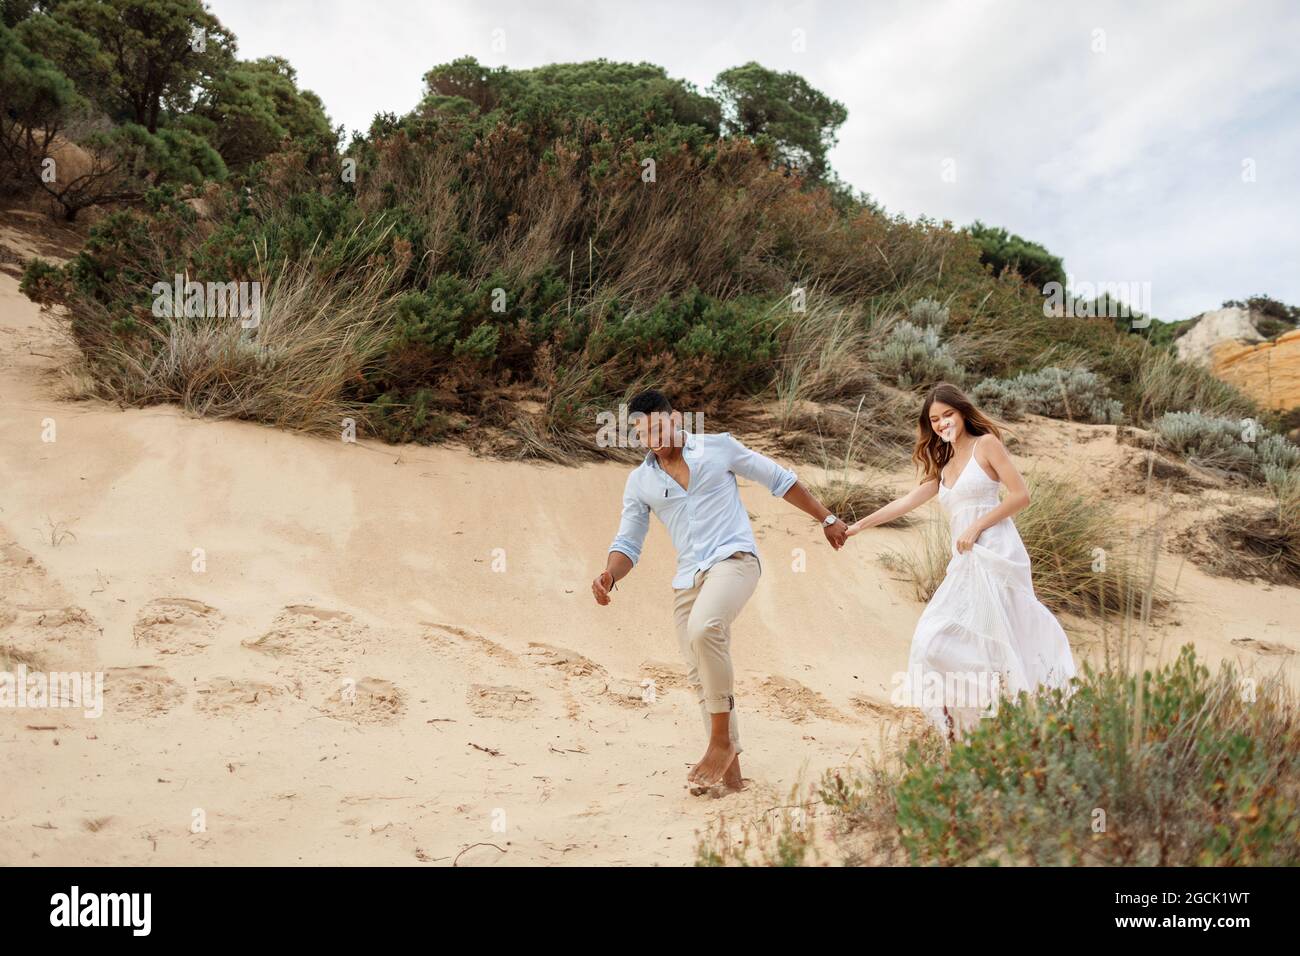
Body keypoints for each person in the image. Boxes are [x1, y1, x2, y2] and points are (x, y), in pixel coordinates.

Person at [592, 389, 848, 790]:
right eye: (642, 433)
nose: (653, 438)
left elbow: (778, 479)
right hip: (688, 578)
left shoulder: (718, 448)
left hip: (735, 561)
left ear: (675, 419)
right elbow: (628, 542)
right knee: (700, 675)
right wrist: (610, 575)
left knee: (705, 628)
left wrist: (827, 517)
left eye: (658, 426)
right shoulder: (639, 481)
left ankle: (719, 742)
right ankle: (733, 782)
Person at [845, 383, 1076, 739]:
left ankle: (1017, 720)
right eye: (934, 419)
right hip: (965, 560)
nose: (941, 423)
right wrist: (857, 526)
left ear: (963, 412)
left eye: (947, 414)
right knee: (932, 639)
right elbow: (905, 503)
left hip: (996, 552)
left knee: (1002, 637)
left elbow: (1021, 496)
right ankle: (969, 723)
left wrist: (977, 526)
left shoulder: (986, 446)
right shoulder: (945, 466)